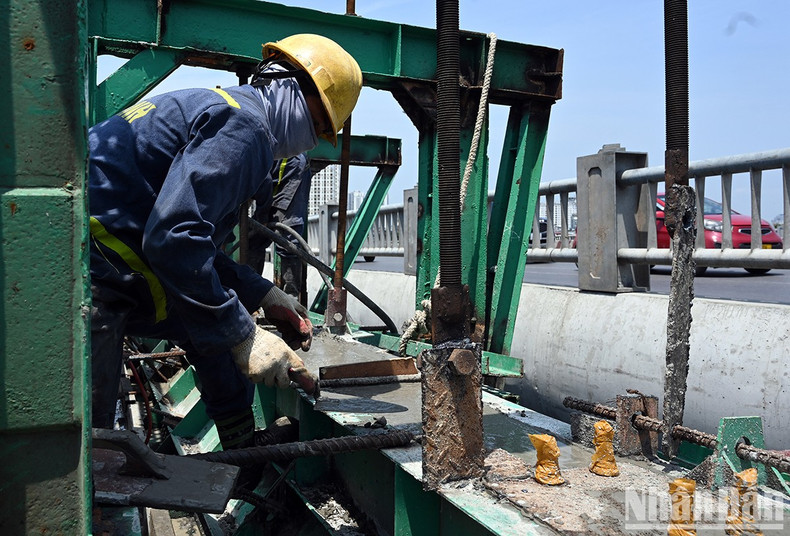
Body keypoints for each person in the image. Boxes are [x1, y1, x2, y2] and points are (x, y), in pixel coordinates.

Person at [88, 34, 362, 450]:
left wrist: (262, 293)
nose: (315, 138)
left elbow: (187, 242)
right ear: (289, 84)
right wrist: (243, 334)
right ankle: (234, 453)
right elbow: (174, 238)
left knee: (212, 317)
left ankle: (240, 449)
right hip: (95, 266)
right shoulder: (245, 127)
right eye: (320, 121)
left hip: (110, 251)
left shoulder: (224, 108)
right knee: (84, 448)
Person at [247, 153, 312, 301]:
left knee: (287, 240)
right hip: (276, 176)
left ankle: (291, 299)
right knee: (253, 240)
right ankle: (251, 297)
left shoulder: (248, 160)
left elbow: (264, 181)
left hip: (292, 172)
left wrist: (262, 216)